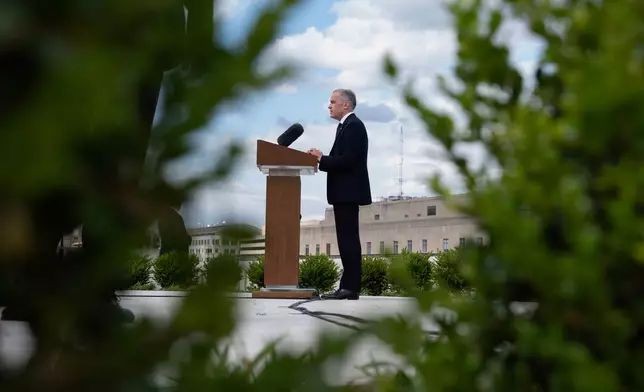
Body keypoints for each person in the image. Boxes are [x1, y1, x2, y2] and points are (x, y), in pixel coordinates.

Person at [308, 89, 372, 300]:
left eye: (333, 102)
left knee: (348, 241)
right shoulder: (345, 126)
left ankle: (350, 288)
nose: (329, 105)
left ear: (346, 105)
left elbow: (348, 160)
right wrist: (322, 160)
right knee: (346, 240)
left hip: (348, 192)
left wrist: (321, 159)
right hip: (344, 192)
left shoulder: (353, 126)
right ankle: (347, 287)